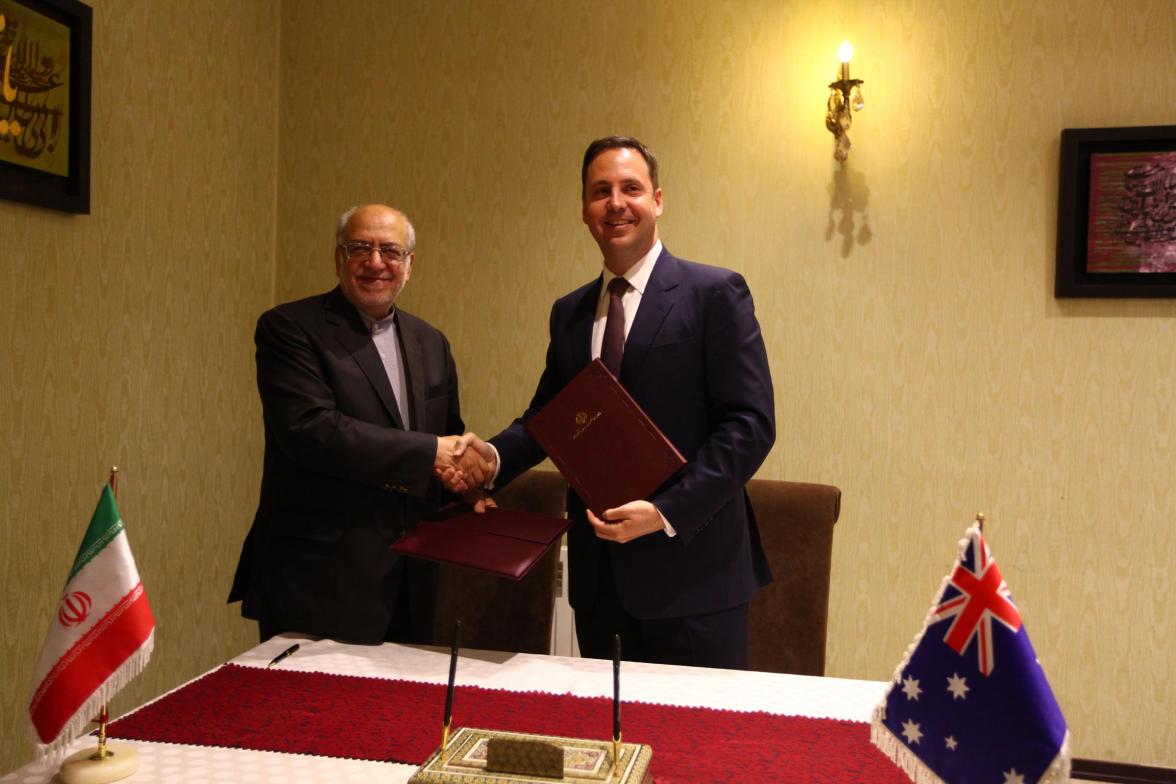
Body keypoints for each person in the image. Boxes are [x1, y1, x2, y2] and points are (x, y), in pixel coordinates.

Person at [456, 136, 775, 669]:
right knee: (611, 741)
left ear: (658, 200)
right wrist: (490, 458)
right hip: (600, 581)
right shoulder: (570, 312)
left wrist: (665, 512)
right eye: (600, 191)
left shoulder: (715, 293)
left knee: (695, 746)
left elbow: (749, 426)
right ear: (585, 209)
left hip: (695, 579)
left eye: (631, 188)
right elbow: (550, 417)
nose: (616, 202)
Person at [229, 204, 491, 644]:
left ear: (410, 265)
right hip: (318, 582)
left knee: (403, 712)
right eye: (359, 248)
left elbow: (447, 438)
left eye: (390, 250)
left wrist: (469, 486)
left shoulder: (432, 343)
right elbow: (313, 432)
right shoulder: (289, 329)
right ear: (338, 259)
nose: (375, 262)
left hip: (413, 579)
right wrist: (432, 452)